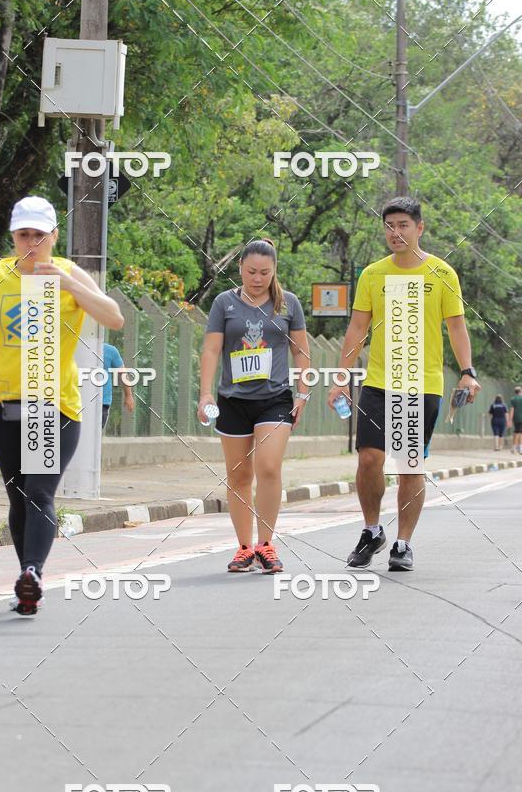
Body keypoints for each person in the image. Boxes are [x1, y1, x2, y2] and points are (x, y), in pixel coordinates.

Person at [0, 196, 124, 615]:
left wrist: (69, 284)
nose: (32, 242)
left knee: (38, 492)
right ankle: (27, 581)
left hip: (51, 404)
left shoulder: (69, 273)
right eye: (23, 235)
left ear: (54, 235)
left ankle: (33, 570)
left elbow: (114, 318)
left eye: (40, 234)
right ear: (12, 237)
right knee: (18, 496)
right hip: (2, 401)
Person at [328, 197, 480, 572]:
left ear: (419, 228)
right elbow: (357, 329)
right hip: (379, 382)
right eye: (389, 226)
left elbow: (456, 327)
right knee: (369, 459)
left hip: (421, 385)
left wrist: (467, 371)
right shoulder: (373, 275)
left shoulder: (442, 274)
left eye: (403, 225)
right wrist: (341, 379)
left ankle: (402, 544)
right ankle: (372, 530)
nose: (395, 233)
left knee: (408, 466)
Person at [198, 238, 310, 574]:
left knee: (269, 467)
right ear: (240, 269)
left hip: (275, 399)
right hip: (232, 399)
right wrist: (205, 394)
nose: (257, 278)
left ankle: (267, 544)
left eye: (264, 272)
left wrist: (303, 391)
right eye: (251, 272)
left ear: (274, 270)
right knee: (239, 475)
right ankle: (245, 547)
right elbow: (211, 351)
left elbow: (301, 351)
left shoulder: (288, 304)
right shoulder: (223, 303)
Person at [101, 341, 135, 431]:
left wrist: (129, 396)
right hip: (78, 401)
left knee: (95, 435)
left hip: (103, 403)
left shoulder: (110, 350)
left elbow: (123, 374)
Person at [508, 386, 522, 454]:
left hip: (516, 418)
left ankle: (515, 447)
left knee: (517, 432)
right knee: (519, 433)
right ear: (520, 391)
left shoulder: (513, 399)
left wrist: (510, 420)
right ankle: (519, 448)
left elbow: (512, 409)